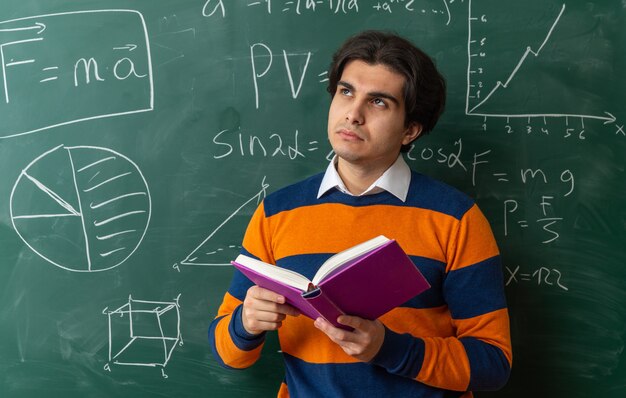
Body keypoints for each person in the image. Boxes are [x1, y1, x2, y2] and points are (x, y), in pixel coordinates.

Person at [209, 30, 512, 397]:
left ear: (410, 130)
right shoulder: (277, 212)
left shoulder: (455, 218)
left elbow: (493, 364)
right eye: (346, 92)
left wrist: (390, 350)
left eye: (379, 102)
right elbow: (228, 354)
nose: (353, 114)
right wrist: (245, 323)